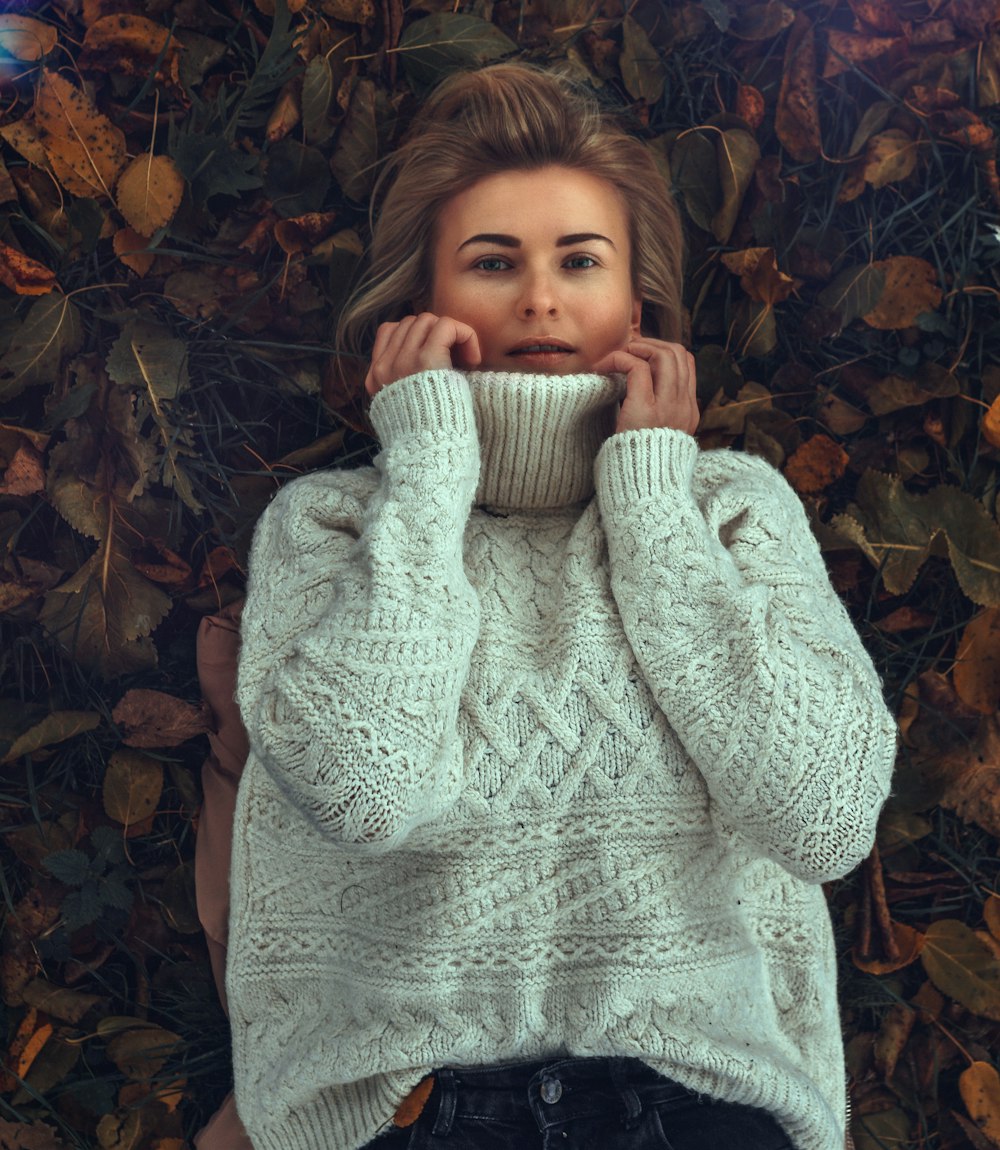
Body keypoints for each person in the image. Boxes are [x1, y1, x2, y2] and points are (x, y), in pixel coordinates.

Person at [220, 60, 897, 1150]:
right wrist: (430, 472)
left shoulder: (730, 512)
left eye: (579, 261)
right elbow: (362, 792)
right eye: (493, 263)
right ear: (423, 306)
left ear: (635, 303)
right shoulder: (333, 526)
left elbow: (822, 820)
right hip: (422, 1107)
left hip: (698, 1101)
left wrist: (652, 502)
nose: (540, 296)